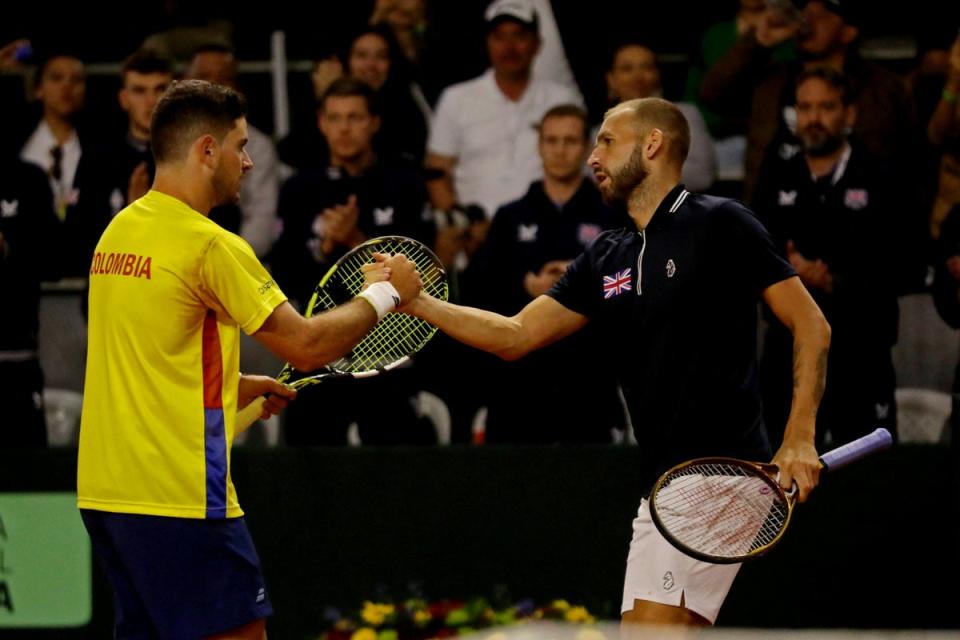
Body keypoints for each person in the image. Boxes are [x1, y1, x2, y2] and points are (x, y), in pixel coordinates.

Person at [378, 97, 830, 626]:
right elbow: (515, 335)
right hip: (663, 484)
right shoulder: (605, 256)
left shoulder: (721, 222)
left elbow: (811, 324)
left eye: (607, 141)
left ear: (653, 144)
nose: (593, 156)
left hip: (721, 473)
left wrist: (799, 435)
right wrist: (420, 302)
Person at [76, 80, 421, 639]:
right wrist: (385, 294)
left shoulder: (117, 233)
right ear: (206, 150)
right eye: (239, 145)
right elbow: (307, 345)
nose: (249, 160)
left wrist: (233, 385)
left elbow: (145, 361)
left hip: (107, 495)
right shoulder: (212, 246)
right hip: (181, 498)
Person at [271, 76, 435, 445]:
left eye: (355, 118)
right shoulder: (298, 189)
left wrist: (355, 241)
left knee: (396, 461)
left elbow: (423, 270)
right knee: (306, 454)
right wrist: (323, 244)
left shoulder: (404, 183)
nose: (344, 129)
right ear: (321, 123)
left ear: (374, 122)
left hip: (389, 349)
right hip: (320, 349)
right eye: (335, 118)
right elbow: (282, 275)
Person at [752, 66, 902, 449]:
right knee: (782, 473)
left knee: (869, 478)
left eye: (825, 107)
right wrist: (793, 280)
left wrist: (834, 280)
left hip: (861, 348)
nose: (813, 118)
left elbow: (902, 262)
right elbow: (752, 257)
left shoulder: (882, 177)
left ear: (849, 113)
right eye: (804, 108)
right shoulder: (775, 177)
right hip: (787, 354)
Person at [461, 104, 628, 443]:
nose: (560, 149)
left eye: (570, 140)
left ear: (586, 148)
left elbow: (631, 285)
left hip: (588, 377)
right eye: (551, 140)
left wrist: (580, 282)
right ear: (539, 146)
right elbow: (477, 288)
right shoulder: (510, 216)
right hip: (517, 379)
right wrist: (526, 283)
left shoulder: (611, 214)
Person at [185, 43, 283, 258]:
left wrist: (224, 265)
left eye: (223, 78)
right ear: (184, 84)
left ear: (237, 88)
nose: (213, 85)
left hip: (234, 263)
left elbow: (261, 225)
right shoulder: (170, 140)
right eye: (203, 76)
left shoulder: (258, 147)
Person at [0, 150, 62, 448]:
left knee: (30, 478)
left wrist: (9, 250)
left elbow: (55, 261)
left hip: (17, 365)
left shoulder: (28, 180)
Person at [603, 42, 716, 192]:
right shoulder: (599, 131)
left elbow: (701, 176)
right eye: (627, 69)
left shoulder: (685, 115)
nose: (638, 77)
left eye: (647, 67)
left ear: (657, 75)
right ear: (611, 79)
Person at [102, 48, 175, 216]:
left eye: (160, 89)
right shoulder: (99, 162)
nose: (151, 101)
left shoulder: (194, 159)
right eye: (140, 91)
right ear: (123, 99)